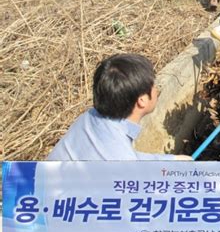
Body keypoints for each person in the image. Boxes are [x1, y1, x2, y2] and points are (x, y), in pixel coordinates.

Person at [47, 54, 192, 161]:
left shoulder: (89, 118)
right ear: (142, 100)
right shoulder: (122, 169)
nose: (156, 89)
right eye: (154, 85)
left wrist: (171, 161)